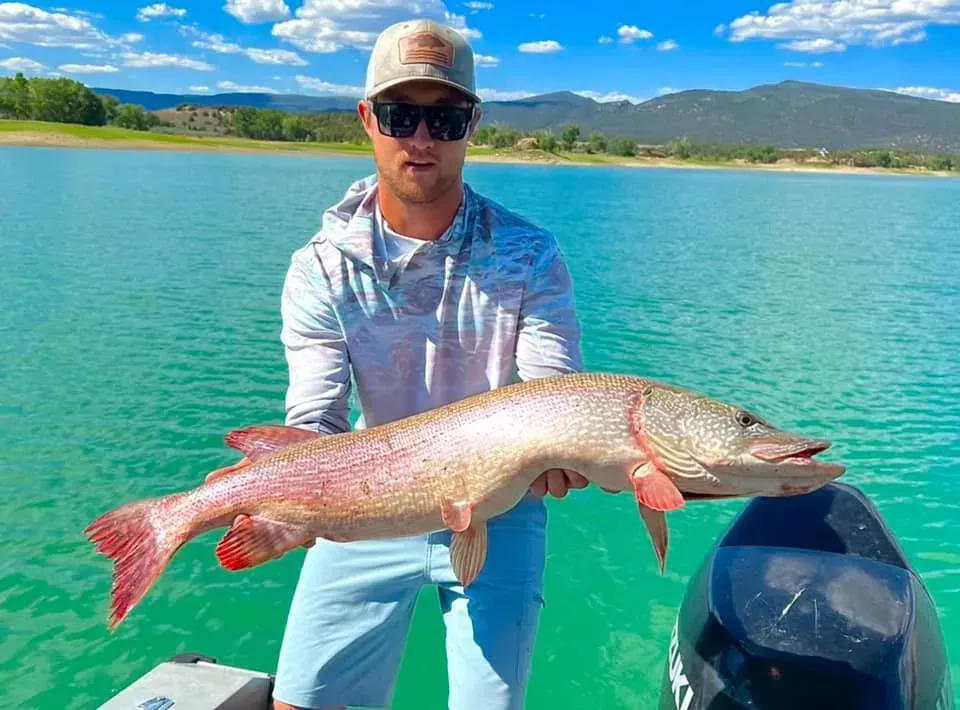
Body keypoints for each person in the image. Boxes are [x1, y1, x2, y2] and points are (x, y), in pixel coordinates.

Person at [270, 17, 587, 710]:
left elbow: (554, 398)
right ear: (367, 119)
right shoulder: (320, 269)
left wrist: (567, 455)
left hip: (501, 511)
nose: (420, 138)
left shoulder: (532, 256)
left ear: (472, 124)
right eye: (400, 113)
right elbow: (316, 419)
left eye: (443, 119)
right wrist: (286, 498)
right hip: (365, 503)